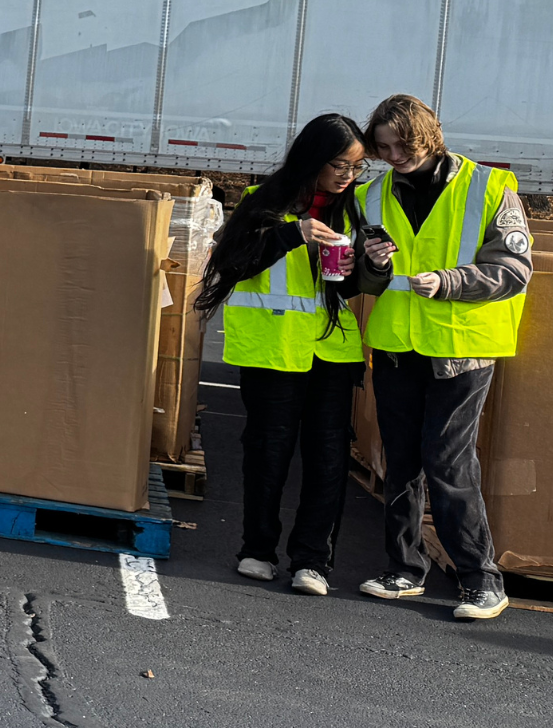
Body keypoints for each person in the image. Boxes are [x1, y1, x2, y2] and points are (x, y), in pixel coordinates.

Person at [352, 93, 533, 621]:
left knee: (448, 462)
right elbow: (362, 281)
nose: (392, 156)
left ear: (427, 136)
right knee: (401, 460)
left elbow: (514, 269)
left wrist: (451, 282)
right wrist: (374, 265)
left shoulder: (490, 187)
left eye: (401, 145)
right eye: (382, 147)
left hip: (462, 348)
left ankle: (482, 581)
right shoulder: (372, 194)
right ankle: (404, 569)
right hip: (396, 345)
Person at [192, 113, 371, 596]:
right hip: (272, 352)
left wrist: (368, 266)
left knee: (328, 457)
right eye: (338, 165)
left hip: (331, 351)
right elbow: (232, 264)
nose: (346, 177)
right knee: (268, 452)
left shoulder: (355, 210)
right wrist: (296, 232)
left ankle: (313, 561)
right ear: (312, 158)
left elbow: (351, 287)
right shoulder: (262, 202)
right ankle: (258, 550)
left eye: (356, 168)